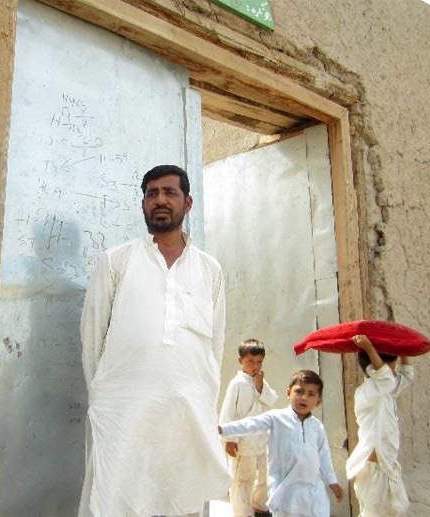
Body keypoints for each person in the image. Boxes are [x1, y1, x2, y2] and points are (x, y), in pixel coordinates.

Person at [79, 165, 231, 517]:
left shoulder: (209, 270)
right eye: (151, 194)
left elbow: (215, 344)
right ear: (143, 204)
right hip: (125, 411)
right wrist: (103, 396)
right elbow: (92, 337)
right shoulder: (116, 261)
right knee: (114, 499)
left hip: (186, 414)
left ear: (188, 203)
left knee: (183, 501)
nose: (159, 200)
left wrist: (206, 399)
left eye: (169, 192)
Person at [219, 370, 344, 517]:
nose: (304, 397)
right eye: (299, 391)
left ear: (318, 400)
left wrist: (332, 481)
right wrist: (223, 429)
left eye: (311, 394)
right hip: (285, 492)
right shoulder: (276, 418)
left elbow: (324, 457)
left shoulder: (317, 427)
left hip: (313, 492)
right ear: (288, 393)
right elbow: (250, 424)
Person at [346, 334, 416, 516]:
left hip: (387, 464)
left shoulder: (386, 391)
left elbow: (406, 377)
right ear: (373, 370)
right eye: (390, 370)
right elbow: (386, 379)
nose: (394, 375)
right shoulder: (367, 392)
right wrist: (369, 348)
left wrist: (403, 352)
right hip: (374, 467)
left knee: (395, 510)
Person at [219, 339, 279, 517]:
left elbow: (271, 400)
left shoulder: (260, 380)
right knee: (242, 479)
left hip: (261, 439)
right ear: (241, 361)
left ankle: (259, 505)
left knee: (264, 476)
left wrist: (260, 385)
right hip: (243, 441)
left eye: (259, 361)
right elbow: (228, 412)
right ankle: (242, 512)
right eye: (250, 361)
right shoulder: (237, 384)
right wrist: (229, 439)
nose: (255, 365)